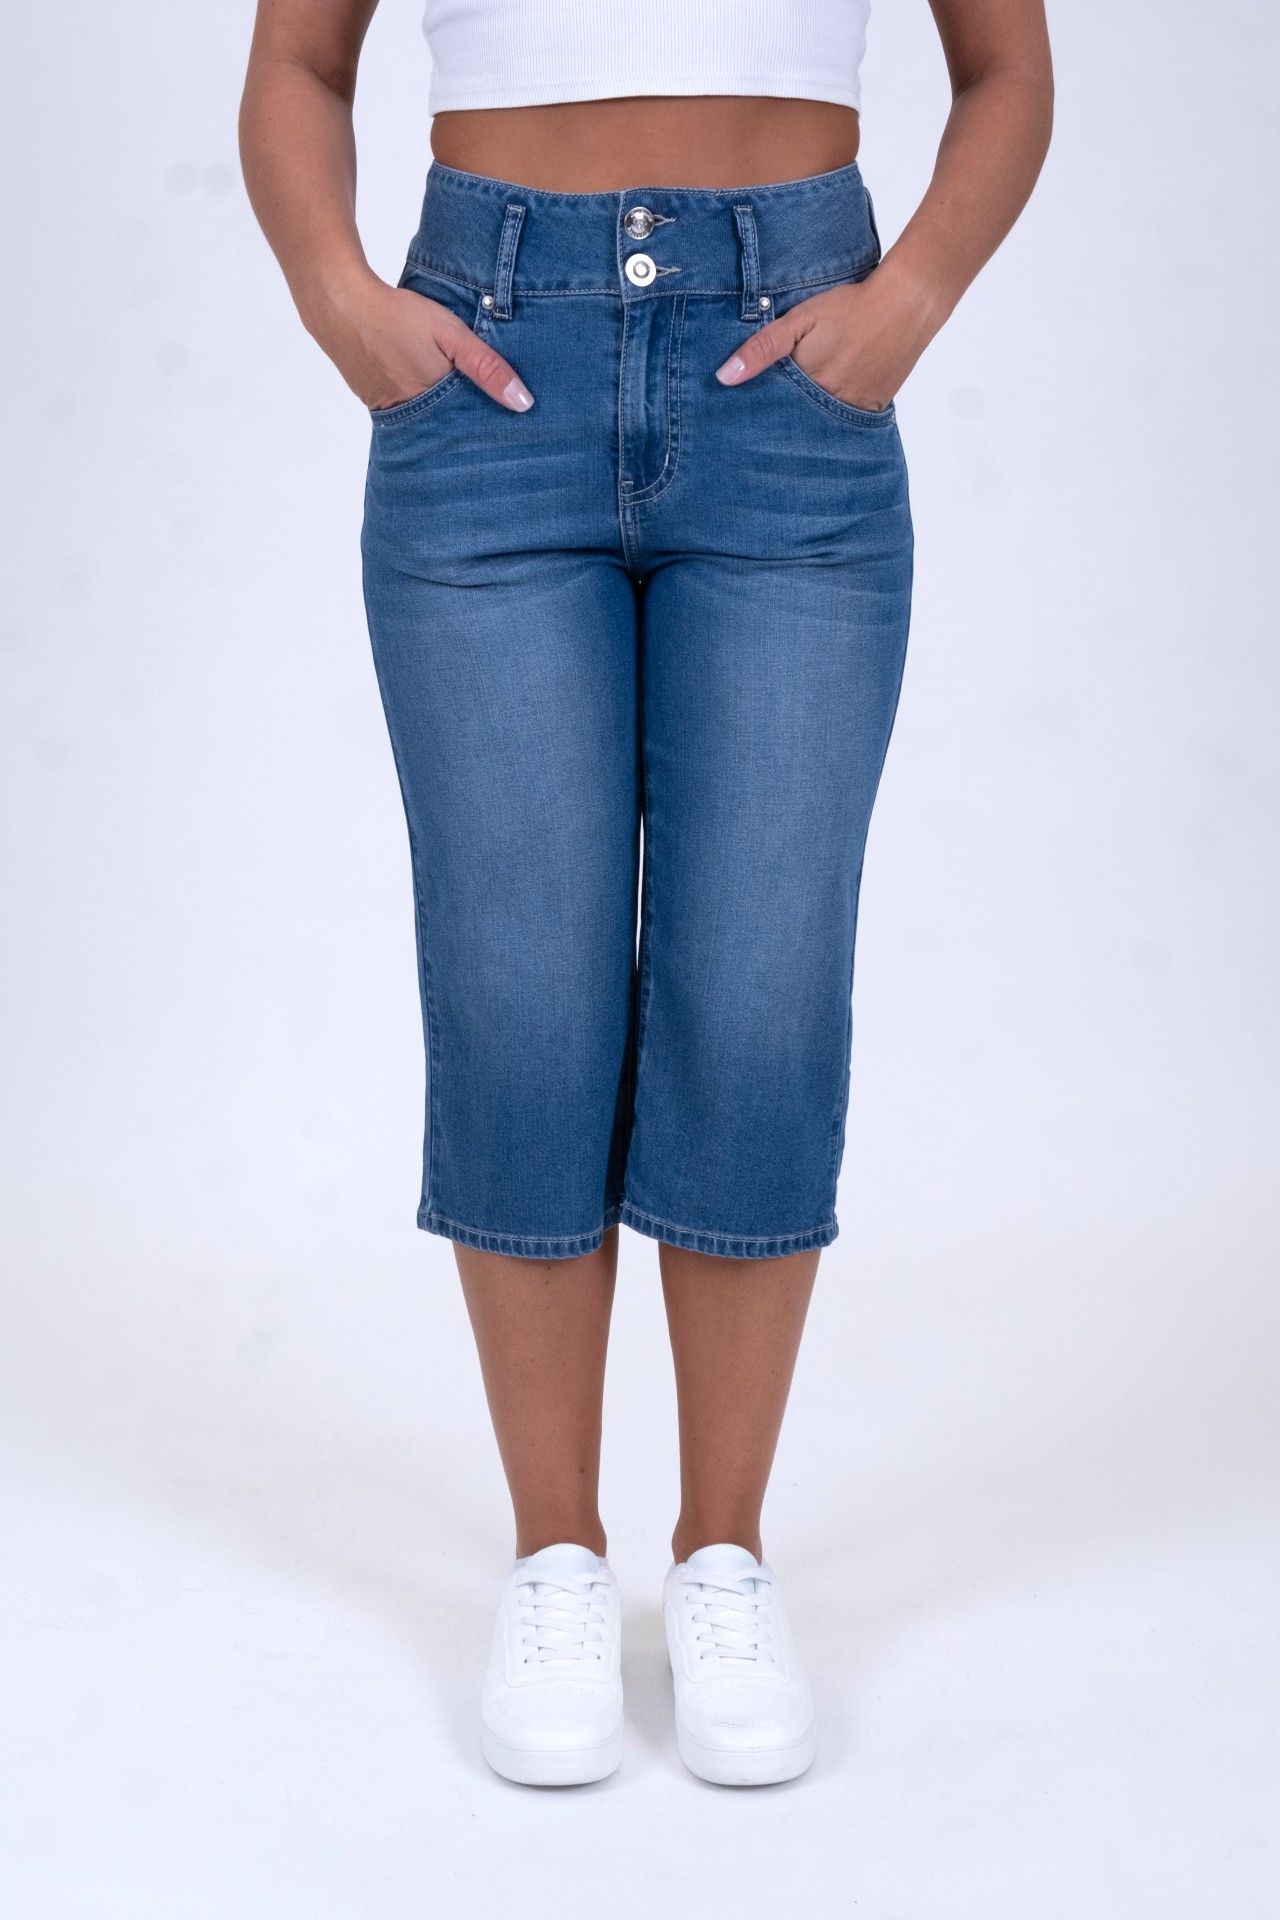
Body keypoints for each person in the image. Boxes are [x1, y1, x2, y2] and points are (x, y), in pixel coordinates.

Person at [239, 0, 1053, 1788]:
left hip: (793, 383)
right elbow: (298, 62)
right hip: (489, 369)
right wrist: (335, 297)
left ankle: (723, 1560)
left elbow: (1008, 71)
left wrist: (911, 292)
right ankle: (554, 1557)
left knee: (758, 991)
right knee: (523, 996)